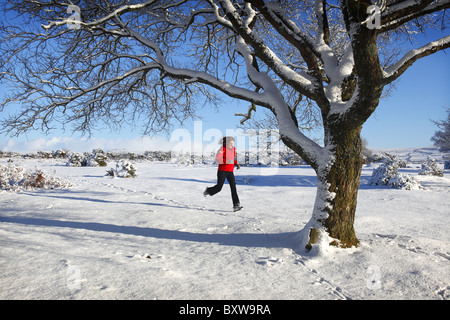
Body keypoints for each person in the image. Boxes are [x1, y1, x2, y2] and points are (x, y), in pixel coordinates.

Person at [204, 136, 243, 212]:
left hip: (230, 171)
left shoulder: (233, 149)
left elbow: (231, 159)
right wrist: (226, 161)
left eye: (232, 143)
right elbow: (218, 159)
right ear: (226, 143)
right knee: (219, 188)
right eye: (230, 143)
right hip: (222, 171)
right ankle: (208, 191)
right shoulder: (222, 149)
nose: (231, 144)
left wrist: (236, 163)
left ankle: (236, 205)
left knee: (233, 188)